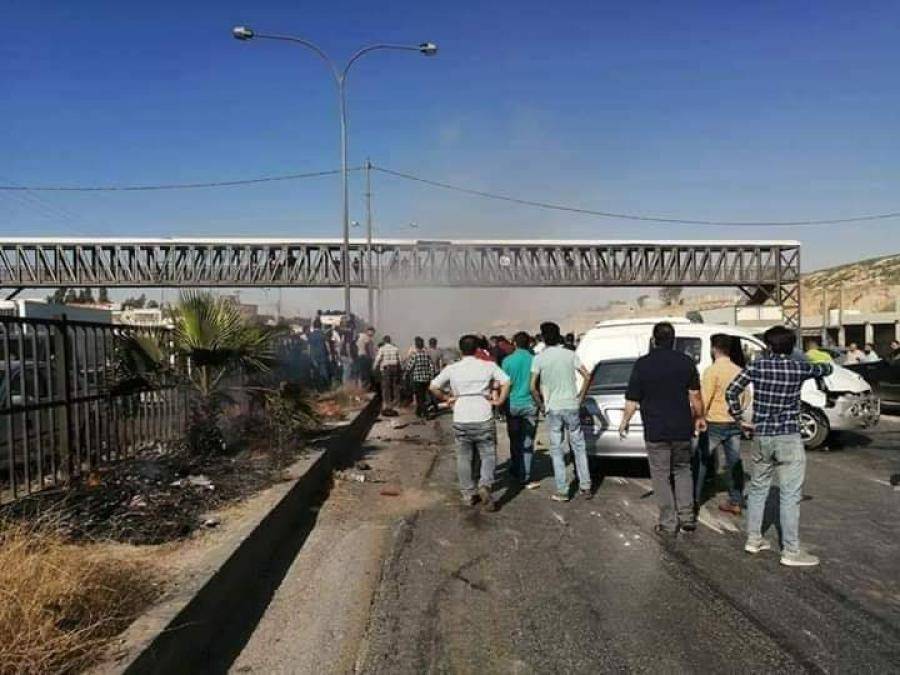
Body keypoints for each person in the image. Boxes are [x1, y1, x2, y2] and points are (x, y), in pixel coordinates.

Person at [726, 325, 833, 567]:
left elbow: (732, 391)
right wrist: (814, 360)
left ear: (768, 346)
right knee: (790, 494)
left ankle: (754, 539)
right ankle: (791, 551)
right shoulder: (798, 368)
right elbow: (826, 368)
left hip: (762, 435)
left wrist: (739, 419)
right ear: (792, 346)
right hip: (788, 436)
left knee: (757, 489)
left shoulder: (757, 366)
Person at [619, 322, 704, 536]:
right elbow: (695, 395)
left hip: (656, 429)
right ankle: (687, 517)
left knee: (660, 475)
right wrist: (700, 417)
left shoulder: (643, 364)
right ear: (674, 340)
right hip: (681, 428)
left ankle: (668, 523)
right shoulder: (686, 362)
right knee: (683, 470)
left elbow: (632, 400)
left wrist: (624, 422)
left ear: (654, 340)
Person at [430, 335, 510, 511]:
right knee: (488, 454)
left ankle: (468, 494)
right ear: (477, 349)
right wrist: (500, 400)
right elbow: (506, 381)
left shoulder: (452, 368)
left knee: (463, 457)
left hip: (461, 416)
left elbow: (433, 386)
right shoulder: (488, 366)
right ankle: (485, 484)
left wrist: (447, 398)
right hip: (483, 415)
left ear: (461, 350)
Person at [530, 321, 592, 502]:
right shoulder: (570, 354)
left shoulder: (539, 358)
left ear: (543, 337)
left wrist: (542, 405)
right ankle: (585, 486)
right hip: (571, 405)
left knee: (557, 450)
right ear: (559, 336)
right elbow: (587, 376)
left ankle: (562, 490)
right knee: (579, 446)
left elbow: (532, 387)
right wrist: (580, 397)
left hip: (553, 407)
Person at [697, 334, 746, 515]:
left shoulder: (712, 371)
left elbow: (704, 398)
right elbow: (746, 397)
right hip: (733, 421)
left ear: (713, 349)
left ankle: (694, 500)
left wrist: (699, 417)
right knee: (734, 461)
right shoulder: (738, 370)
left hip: (714, 422)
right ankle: (736, 500)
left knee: (701, 460)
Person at [502, 331, 541, 489]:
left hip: (512, 405)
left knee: (514, 438)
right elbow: (538, 384)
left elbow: (504, 384)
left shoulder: (507, 361)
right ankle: (524, 475)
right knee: (527, 441)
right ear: (529, 343)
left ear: (514, 343)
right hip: (530, 404)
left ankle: (515, 467)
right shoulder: (535, 360)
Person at [405, 336, 437, 418]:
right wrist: (431, 376)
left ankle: (425, 413)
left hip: (417, 379)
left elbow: (409, 367)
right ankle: (418, 412)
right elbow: (432, 367)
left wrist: (406, 374)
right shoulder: (427, 355)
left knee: (419, 397)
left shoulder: (415, 355)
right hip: (426, 379)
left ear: (416, 346)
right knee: (424, 396)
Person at [373, 335, 402, 416]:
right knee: (395, 386)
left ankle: (387, 404)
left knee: (386, 387)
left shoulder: (382, 348)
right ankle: (396, 404)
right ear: (390, 341)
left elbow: (378, 359)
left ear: (384, 341)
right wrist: (401, 369)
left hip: (386, 369)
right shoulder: (395, 348)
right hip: (395, 368)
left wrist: (374, 367)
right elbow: (399, 360)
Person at [307, 319, 331, 390]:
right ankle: (325, 387)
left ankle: (317, 388)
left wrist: (310, 356)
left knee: (315, 373)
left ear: (314, 326)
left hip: (313, 357)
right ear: (320, 326)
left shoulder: (310, 335)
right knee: (324, 371)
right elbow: (327, 345)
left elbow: (309, 347)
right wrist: (329, 353)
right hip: (322, 355)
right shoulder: (322, 334)